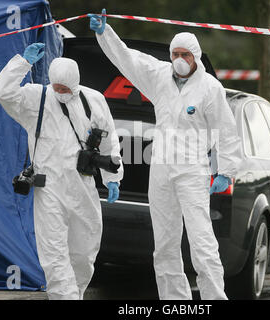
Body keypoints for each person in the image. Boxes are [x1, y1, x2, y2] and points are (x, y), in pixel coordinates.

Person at [89, 10, 243, 300]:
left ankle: (214, 298)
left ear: (196, 56)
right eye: (175, 53)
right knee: (165, 244)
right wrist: (104, 33)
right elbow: (127, 59)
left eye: (185, 54)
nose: (179, 59)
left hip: (192, 170)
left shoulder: (210, 88)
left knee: (201, 242)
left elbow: (226, 129)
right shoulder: (159, 75)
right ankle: (175, 301)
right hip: (160, 169)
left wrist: (225, 170)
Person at [0, 43, 123, 300]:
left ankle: (74, 293)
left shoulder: (93, 100)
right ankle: (64, 296)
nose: (60, 92)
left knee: (84, 252)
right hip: (49, 187)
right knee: (53, 251)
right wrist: (23, 63)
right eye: (57, 87)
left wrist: (113, 178)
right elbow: (4, 93)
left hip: (82, 185)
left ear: (76, 83)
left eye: (65, 88)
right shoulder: (37, 97)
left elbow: (109, 140)